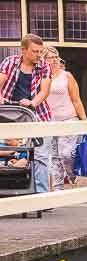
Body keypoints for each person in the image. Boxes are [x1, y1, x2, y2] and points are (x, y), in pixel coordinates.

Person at [0, 34, 52, 193]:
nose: (39, 55)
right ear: (23, 50)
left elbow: (44, 91)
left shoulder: (44, 66)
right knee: (9, 152)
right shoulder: (10, 63)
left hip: (39, 115)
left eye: (40, 51)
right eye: (35, 51)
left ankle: (41, 197)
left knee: (41, 156)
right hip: (10, 116)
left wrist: (32, 103)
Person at [43, 46, 87, 190]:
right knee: (53, 157)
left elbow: (76, 100)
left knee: (66, 153)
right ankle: (58, 190)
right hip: (49, 121)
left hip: (68, 118)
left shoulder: (66, 76)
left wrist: (85, 121)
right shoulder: (40, 77)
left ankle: (72, 174)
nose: (55, 60)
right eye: (51, 58)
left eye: (56, 57)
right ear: (44, 60)